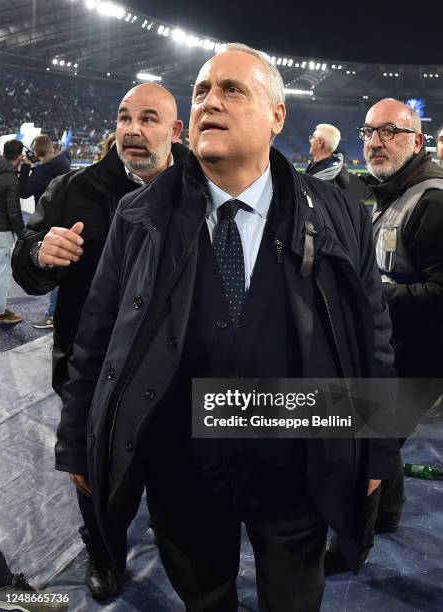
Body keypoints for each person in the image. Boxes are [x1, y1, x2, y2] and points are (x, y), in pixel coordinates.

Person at [55, 44, 397, 611]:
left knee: (293, 600)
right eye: (202, 91)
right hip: (182, 471)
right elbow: (96, 337)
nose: (211, 101)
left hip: (297, 465)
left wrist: (378, 452)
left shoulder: (341, 216)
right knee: (204, 598)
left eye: (232, 90)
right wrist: (76, 445)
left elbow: (373, 343)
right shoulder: (139, 216)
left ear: (277, 116)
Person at [12, 83, 185, 600]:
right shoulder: (72, 190)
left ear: (175, 131)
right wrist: (41, 253)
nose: (133, 129)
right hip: (91, 371)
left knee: (174, 471)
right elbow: (27, 270)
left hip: (175, 374)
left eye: (149, 119)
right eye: (124, 117)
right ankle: (103, 550)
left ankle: (172, 532)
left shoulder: (203, 191)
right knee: (96, 480)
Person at [328, 98, 443, 574]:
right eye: (369, 132)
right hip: (395, 349)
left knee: (363, 443)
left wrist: (373, 293)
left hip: (422, 358)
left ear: (416, 141)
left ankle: (351, 549)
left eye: (389, 132)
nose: (375, 141)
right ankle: (389, 515)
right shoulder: (396, 190)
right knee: (381, 439)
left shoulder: (433, 201)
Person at [18, 135, 72, 330]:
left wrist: (25, 167)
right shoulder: (63, 160)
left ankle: (52, 315)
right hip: (66, 218)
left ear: (36, 152)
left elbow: (23, 191)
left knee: (55, 269)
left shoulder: (43, 171)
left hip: (51, 222)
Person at [0, 140, 24, 325]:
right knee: (1, 272)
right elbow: (13, 211)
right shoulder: (11, 178)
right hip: (1, 232)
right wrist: (23, 235)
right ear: (19, 156)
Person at [306, 123, 371, 200]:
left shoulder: (331, 177)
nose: (310, 140)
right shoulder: (329, 166)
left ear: (320, 142)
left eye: (312, 137)